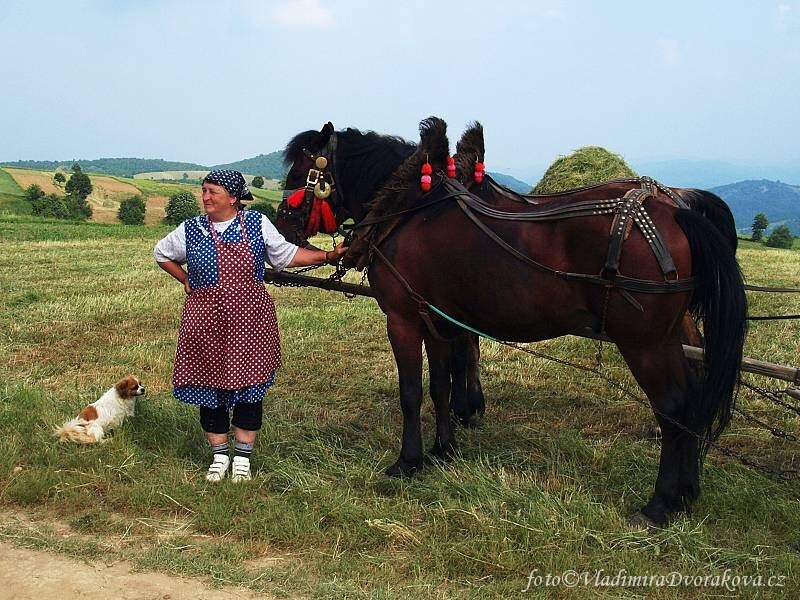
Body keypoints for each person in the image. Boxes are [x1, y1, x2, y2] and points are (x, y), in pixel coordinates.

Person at [154, 169, 347, 483]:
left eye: (211, 192)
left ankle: (242, 458)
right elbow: (161, 253)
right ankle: (218, 458)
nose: (204, 197)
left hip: (250, 323)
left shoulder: (256, 224)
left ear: (232, 197)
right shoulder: (191, 230)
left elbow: (287, 256)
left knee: (249, 390)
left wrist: (326, 256)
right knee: (209, 389)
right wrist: (186, 279)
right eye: (203, 191)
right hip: (206, 324)